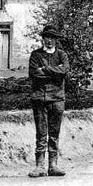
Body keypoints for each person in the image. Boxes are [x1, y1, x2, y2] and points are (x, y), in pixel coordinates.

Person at [28, 25, 69, 177]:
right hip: (40, 98)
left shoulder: (62, 55)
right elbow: (34, 74)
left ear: (56, 40)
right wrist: (54, 71)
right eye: (47, 37)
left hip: (57, 98)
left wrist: (45, 68)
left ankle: (53, 165)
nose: (50, 40)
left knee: (54, 132)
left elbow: (64, 71)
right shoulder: (36, 55)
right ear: (43, 38)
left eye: (53, 38)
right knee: (41, 132)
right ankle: (39, 166)